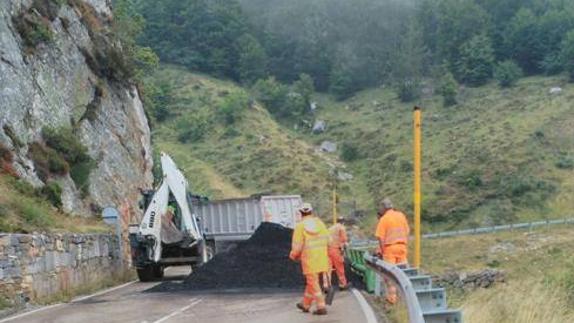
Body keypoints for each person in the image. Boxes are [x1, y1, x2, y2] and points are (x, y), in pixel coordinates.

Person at [289, 203, 330, 315]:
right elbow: (328, 240)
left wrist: (293, 255)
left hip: (309, 258)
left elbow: (297, 245)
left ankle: (321, 306)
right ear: (311, 212)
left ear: (301, 213)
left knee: (312, 281)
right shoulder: (320, 223)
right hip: (321, 257)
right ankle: (305, 304)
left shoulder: (300, 226)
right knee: (311, 281)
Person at [374, 198, 410, 304]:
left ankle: (392, 299)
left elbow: (380, 237)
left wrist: (382, 251)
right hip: (402, 248)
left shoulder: (384, 219)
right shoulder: (401, 215)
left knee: (390, 276)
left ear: (384, 208)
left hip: (390, 249)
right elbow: (407, 231)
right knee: (403, 274)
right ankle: (405, 300)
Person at [328, 216, 349, 290]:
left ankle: (327, 285)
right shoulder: (341, 228)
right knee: (340, 268)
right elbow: (344, 240)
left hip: (328, 250)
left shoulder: (330, 228)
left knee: (328, 269)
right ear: (343, 222)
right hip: (336, 250)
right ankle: (342, 284)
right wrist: (344, 250)